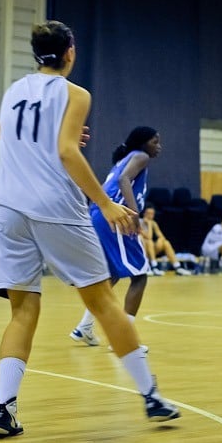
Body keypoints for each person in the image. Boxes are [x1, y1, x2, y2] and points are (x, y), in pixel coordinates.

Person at [0, 20, 179, 438]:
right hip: (54, 205)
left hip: (4, 207)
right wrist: (106, 204)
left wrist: (62, 137)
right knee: (104, 303)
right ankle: (151, 397)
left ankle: (3, 408)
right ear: (70, 52)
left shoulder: (14, 91)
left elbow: (20, 140)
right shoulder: (76, 93)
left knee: (21, 311)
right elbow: (67, 152)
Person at [70, 126, 172, 349]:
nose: (159, 146)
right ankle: (125, 340)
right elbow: (124, 180)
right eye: (155, 141)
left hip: (99, 214)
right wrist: (134, 215)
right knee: (140, 276)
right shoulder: (140, 156)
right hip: (116, 216)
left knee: (112, 275)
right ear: (143, 142)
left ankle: (84, 327)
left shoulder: (123, 159)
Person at [140, 204, 191, 276]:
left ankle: (177, 267)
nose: (151, 216)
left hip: (151, 251)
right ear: (144, 213)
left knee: (166, 243)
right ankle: (153, 267)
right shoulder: (139, 222)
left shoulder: (154, 223)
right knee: (149, 242)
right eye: (149, 213)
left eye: (152, 214)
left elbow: (162, 236)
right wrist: (149, 224)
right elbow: (149, 237)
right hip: (142, 251)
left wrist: (160, 241)